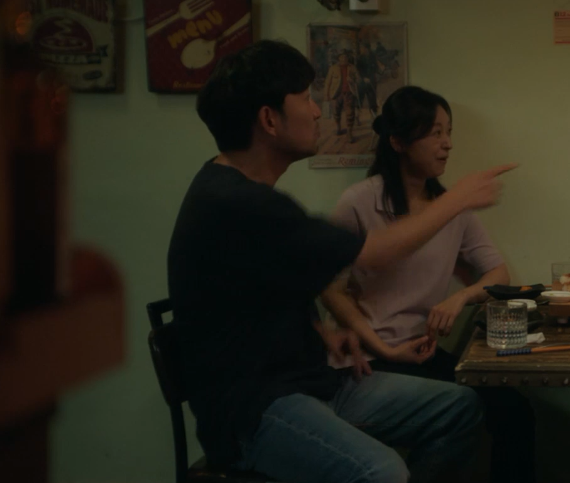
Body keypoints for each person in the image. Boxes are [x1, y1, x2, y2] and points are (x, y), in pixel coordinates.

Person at [168, 40, 516, 483]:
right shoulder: (235, 202)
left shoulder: (243, 195)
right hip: (254, 410)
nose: (318, 112)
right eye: (306, 99)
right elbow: (372, 252)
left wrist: (321, 333)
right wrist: (458, 199)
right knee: (382, 471)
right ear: (269, 120)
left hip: (312, 382)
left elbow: (258, 293)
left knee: (460, 406)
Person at [324, 86, 538, 483]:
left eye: (449, 132)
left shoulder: (451, 206)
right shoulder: (359, 201)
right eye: (435, 133)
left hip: (421, 353)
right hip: (369, 359)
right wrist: (380, 346)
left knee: (515, 410)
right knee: (465, 406)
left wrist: (461, 297)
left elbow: (497, 273)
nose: (448, 144)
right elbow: (330, 288)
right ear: (398, 142)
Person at [324, 50, 358, 140]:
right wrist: (326, 95)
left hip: (349, 94)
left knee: (350, 113)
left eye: (345, 57)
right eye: (341, 57)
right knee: (336, 112)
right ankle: (338, 128)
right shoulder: (333, 68)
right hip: (336, 94)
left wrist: (352, 80)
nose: (343, 59)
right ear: (338, 58)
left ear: (348, 58)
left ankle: (349, 133)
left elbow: (359, 79)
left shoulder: (352, 67)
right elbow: (327, 82)